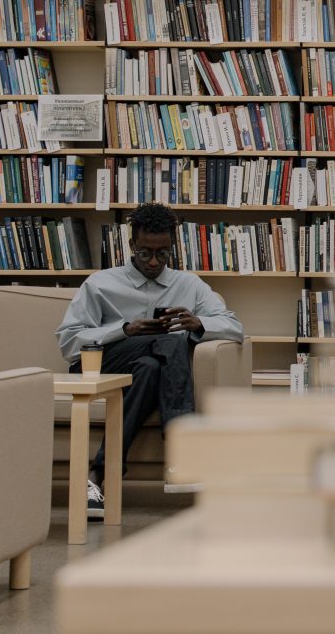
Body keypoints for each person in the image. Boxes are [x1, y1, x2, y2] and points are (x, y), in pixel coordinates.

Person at [56, 202, 244, 516]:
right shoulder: (100, 283)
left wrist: (199, 324)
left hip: (145, 371)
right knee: (168, 340)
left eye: (163, 253)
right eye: (145, 253)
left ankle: (99, 476)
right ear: (131, 246)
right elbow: (69, 342)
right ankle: (182, 447)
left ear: (172, 247)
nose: (154, 261)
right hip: (101, 364)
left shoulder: (189, 285)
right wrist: (125, 330)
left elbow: (235, 328)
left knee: (150, 365)